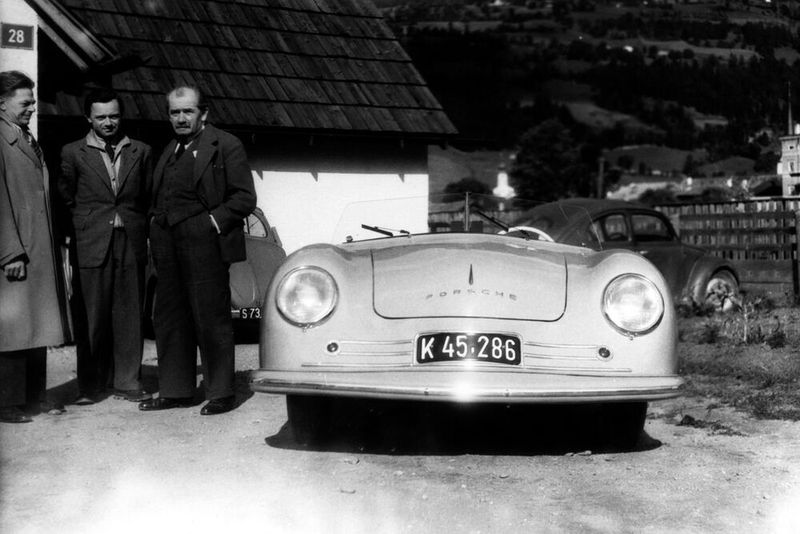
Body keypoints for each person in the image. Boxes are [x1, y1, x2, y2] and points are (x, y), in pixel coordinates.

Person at [139, 85, 256, 415]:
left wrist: (209, 223)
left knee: (210, 316)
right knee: (170, 316)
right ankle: (176, 390)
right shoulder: (170, 150)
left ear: (203, 113)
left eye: (187, 111)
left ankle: (221, 391)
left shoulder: (225, 145)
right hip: (167, 242)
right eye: (174, 112)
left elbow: (244, 198)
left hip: (205, 241)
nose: (180, 118)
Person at [58, 89, 153, 404]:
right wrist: (84, 226)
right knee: (92, 315)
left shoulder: (141, 150)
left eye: (114, 116)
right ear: (89, 118)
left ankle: (127, 380)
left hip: (131, 239)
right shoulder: (73, 153)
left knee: (129, 314)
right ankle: (91, 384)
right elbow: (65, 198)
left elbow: (146, 197)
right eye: (101, 117)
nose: (108, 122)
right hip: (91, 241)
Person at [0, 71, 70, 423]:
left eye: (31, 101)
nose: (31, 107)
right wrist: (9, 251)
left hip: (37, 245)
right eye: (24, 102)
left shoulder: (24, 136)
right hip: (16, 250)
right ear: (1, 102)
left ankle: (33, 396)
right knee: (13, 328)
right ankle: (7, 403)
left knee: (37, 323)